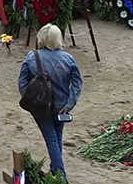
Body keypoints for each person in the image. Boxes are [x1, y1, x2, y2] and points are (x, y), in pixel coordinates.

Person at [17, 24, 83, 176]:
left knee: (51, 139)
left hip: (40, 105)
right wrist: (70, 104)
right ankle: (55, 171)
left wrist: (30, 100)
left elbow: (22, 82)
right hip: (62, 106)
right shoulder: (68, 59)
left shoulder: (32, 57)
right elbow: (77, 83)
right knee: (56, 138)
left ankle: (61, 176)